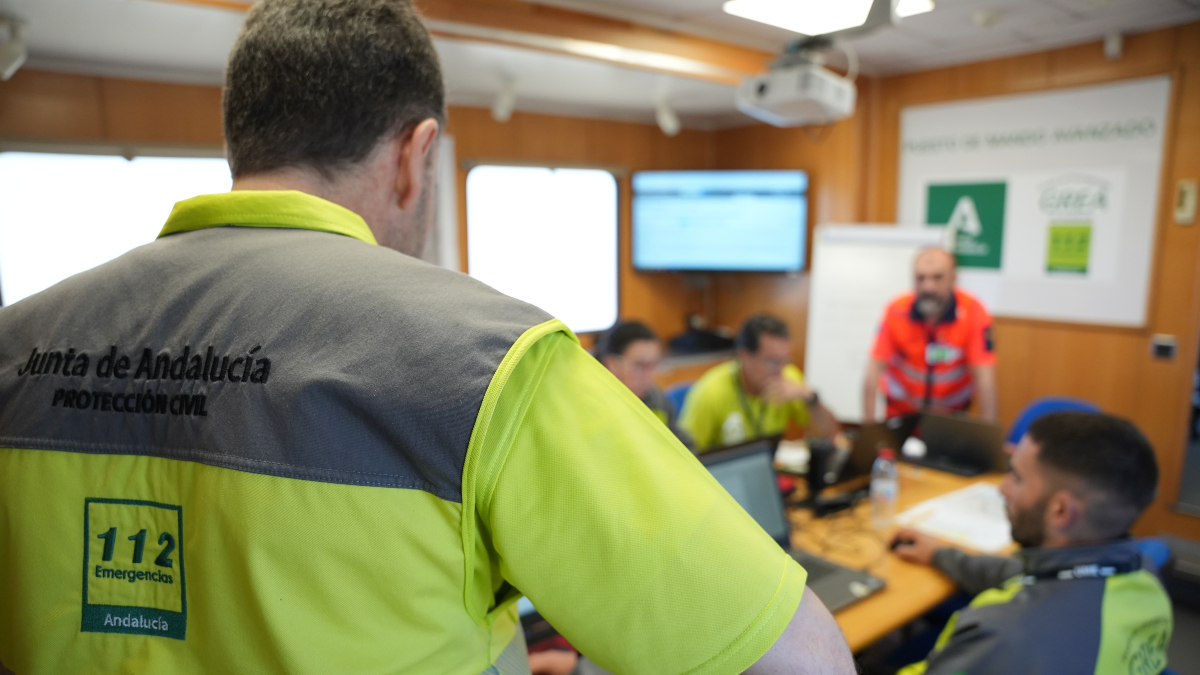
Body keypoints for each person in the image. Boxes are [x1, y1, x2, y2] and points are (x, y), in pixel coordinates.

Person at [0, 1, 856, 674]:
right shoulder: (493, 362)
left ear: (239, 141)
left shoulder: (16, 342)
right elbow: (800, 662)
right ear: (417, 154)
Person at [889, 412, 1172, 674]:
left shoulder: (1003, 634)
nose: (1003, 488)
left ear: (1060, 511)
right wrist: (941, 554)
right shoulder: (1141, 574)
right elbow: (1030, 576)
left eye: (1017, 477)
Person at [862, 247, 997, 423]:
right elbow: (872, 373)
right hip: (900, 416)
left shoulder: (973, 312)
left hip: (951, 420)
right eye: (921, 278)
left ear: (953, 279)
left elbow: (985, 381)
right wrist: (870, 430)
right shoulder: (895, 311)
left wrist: (990, 438)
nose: (928, 286)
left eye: (938, 277)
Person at [680, 314, 844, 453]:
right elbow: (683, 458)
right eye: (773, 362)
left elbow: (830, 436)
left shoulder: (788, 377)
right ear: (744, 356)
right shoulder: (710, 392)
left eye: (785, 360)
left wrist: (810, 398)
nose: (780, 370)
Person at [598, 320, 691, 447]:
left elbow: (685, 447)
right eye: (640, 365)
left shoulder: (655, 398)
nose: (649, 375)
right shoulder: (593, 409)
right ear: (612, 364)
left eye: (653, 365)